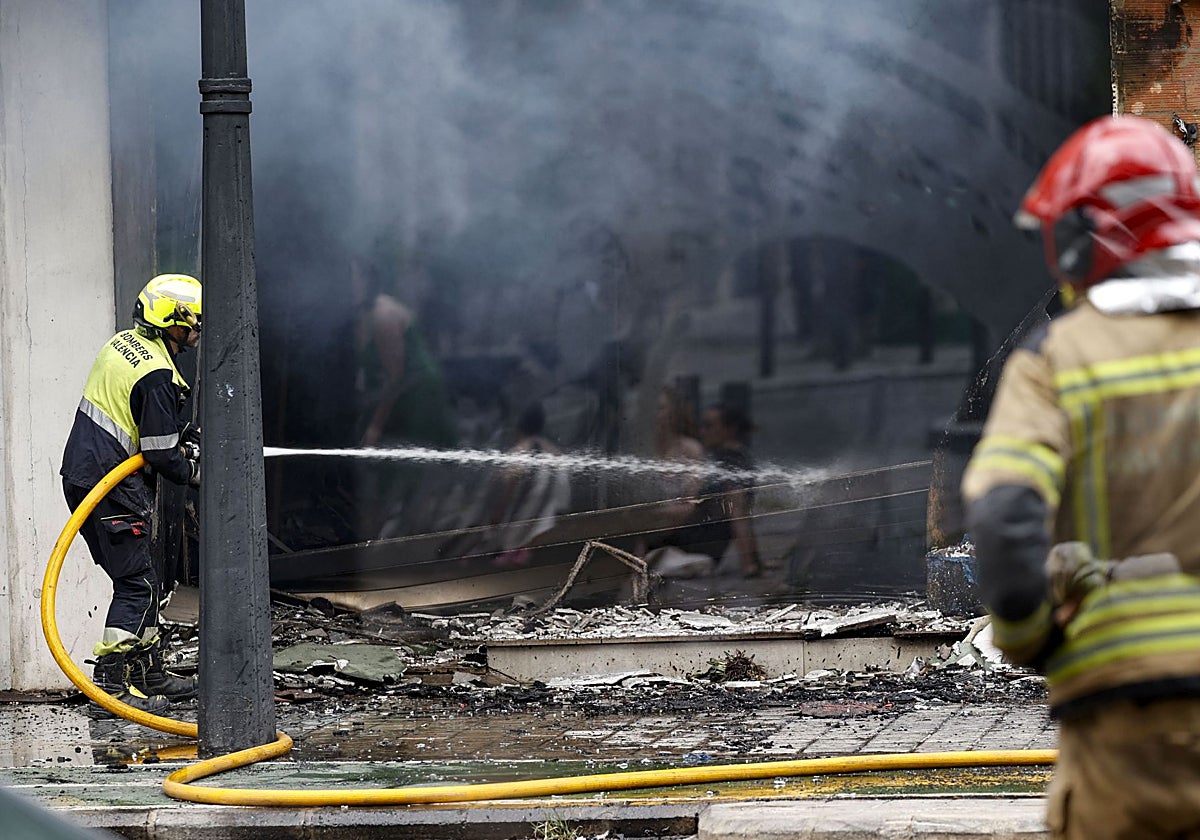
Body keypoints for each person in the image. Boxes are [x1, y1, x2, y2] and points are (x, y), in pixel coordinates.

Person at [961, 115, 1200, 839]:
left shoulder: (1059, 359)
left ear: (1083, 240)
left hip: (1126, 715)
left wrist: (1027, 635)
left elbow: (1004, 512)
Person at [60, 274, 203, 717]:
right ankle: (110, 685)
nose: (197, 329)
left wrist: (181, 432)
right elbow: (160, 454)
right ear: (173, 320)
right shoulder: (158, 375)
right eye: (193, 321)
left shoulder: (124, 344)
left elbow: (138, 415)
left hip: (88, 478)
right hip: (109, 486)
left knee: (145, 579)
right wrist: (194, 469)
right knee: (137, 584)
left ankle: (147, 673)